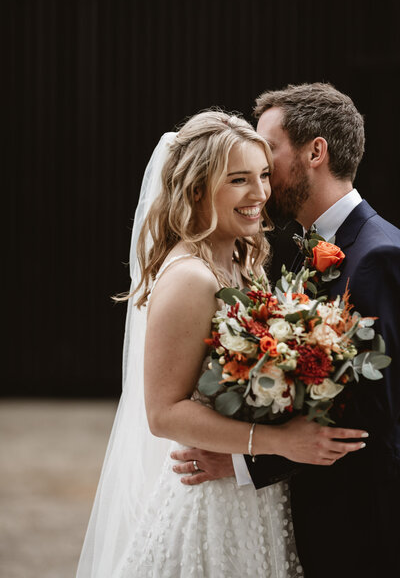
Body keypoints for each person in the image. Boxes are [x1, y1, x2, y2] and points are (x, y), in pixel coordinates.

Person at [76, 109, 367, 578]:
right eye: (238, 180)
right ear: (196, 190)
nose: (260, 195)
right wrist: (278, 442)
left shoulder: (240, 256)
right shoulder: (190, 277)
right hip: (212, 501)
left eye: (264, 176)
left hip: (251, 495)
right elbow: (163, 412)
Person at [172, 84, 400, 578]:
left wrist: (242, 462)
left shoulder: (376, 256)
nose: (261, 168)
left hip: (365, 529)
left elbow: (372, 417)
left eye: (268, 150)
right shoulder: (301, 248)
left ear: (315, 151)